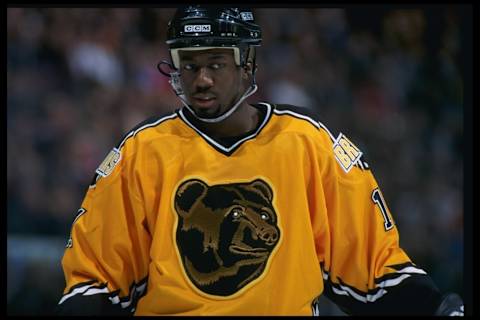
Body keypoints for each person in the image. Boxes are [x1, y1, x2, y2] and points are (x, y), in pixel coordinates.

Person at [56, 6, 464, 316]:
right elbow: (94, 282)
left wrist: (435, 308)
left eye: (216, 63)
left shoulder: (307, 144)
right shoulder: (142, 151)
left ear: (246, 63)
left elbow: (374, 270)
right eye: (190, 64)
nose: (201, 79)